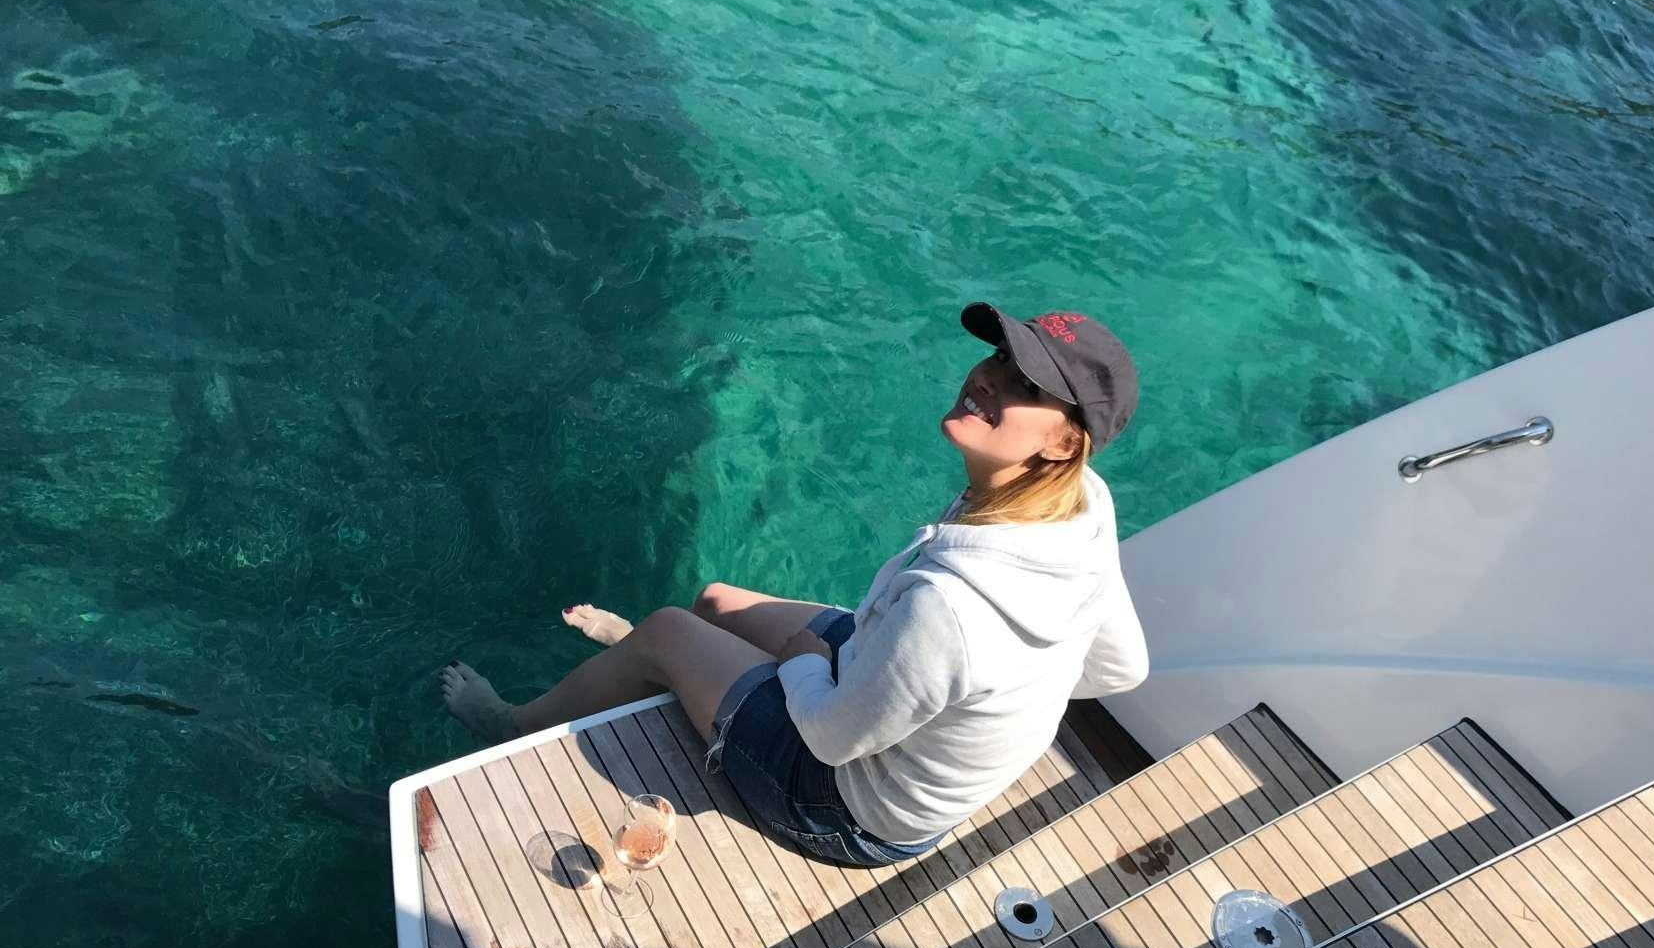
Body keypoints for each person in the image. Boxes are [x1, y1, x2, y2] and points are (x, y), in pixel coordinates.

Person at [440, 303, 1149, 867]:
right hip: (890, 682)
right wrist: (978, 699)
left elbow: (835, 739)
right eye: (1001, 356)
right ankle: (658, 668)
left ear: (1063, 443)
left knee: (665, 629)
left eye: (1028, 387)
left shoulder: (952, 610)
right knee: (715, 600)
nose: (990, 377)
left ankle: (513, 721)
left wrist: (814, 659)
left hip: (843, 808)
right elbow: (1123, 665)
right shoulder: (1081, 502)